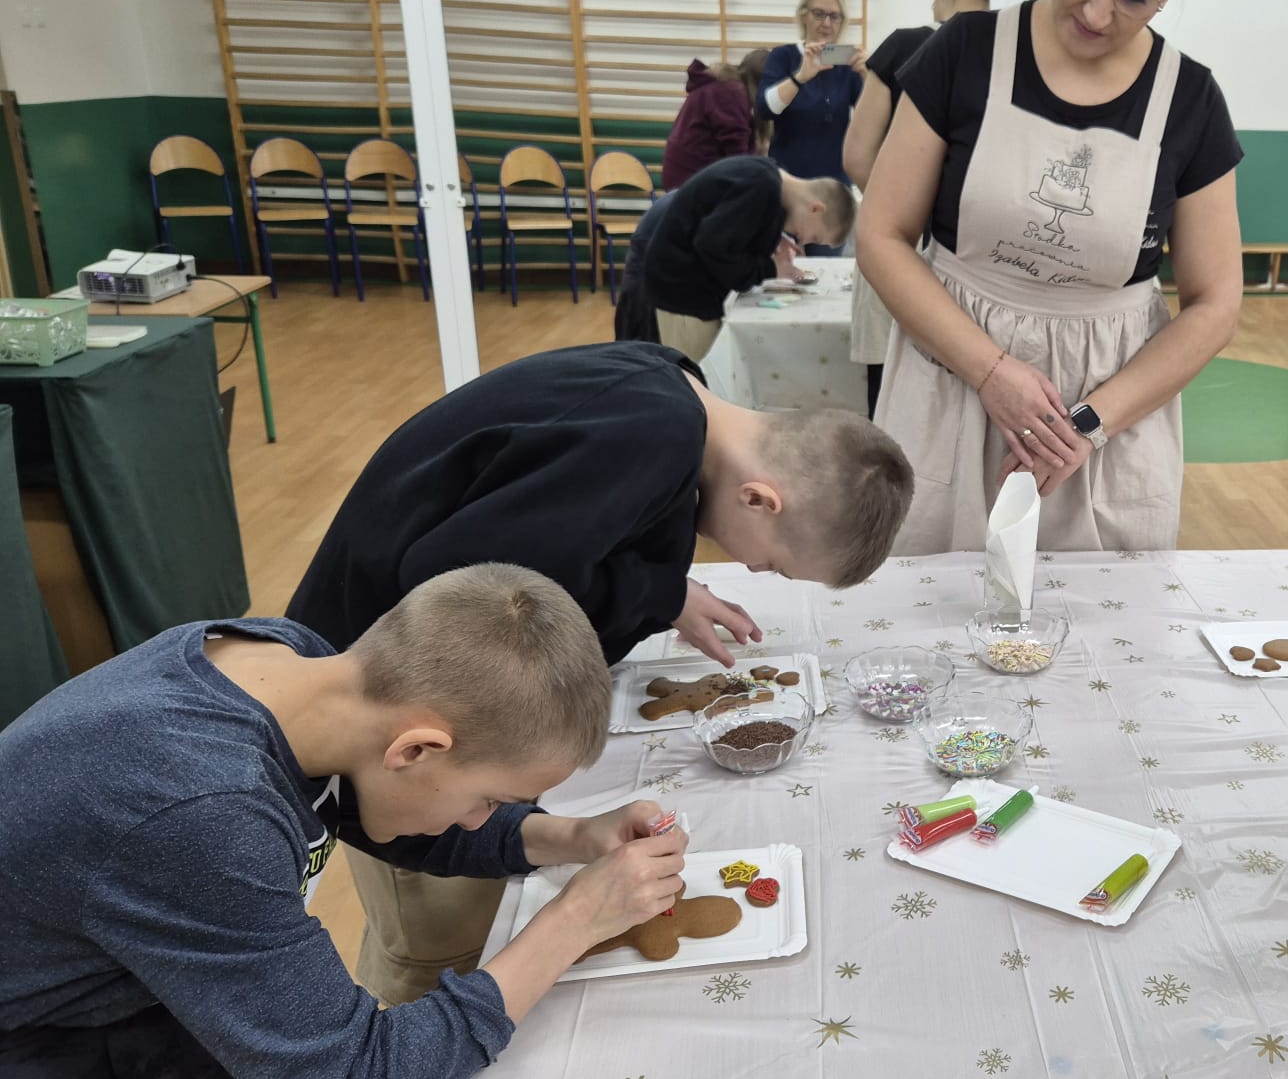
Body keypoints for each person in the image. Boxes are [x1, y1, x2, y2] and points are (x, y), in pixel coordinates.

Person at [0, 563, 695, 1079]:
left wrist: (570, 837)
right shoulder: (204, 813)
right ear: (415, 748)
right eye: (488, 798)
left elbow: (373, 806)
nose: (482, 817)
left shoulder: (296, 666)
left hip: (113, 981)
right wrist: (572, 922)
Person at [287, 342, 913, 1004]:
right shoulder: (652, 436)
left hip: (396, 708)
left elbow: (552, 535)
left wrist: (666, 593)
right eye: (774, 565)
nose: (755, 569)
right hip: (382, 724)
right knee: (435, 944)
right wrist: (652, 590)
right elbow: (468, 594)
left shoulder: (674, 393)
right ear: (760, 499)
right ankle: (410, 1024)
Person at [856, 0, 1243, 553]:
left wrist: (1087, 424)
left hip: (1103, 427)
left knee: (1098, 616)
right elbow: (881, 235)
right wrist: (990, 370)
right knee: (928, 600)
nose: (1097, 13)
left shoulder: (1189, 102)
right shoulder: (964, 53)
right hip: (949, 388)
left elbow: (1216, 303)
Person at [844, 0, 992, 415]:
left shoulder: (907, 45)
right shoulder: (1007, 57)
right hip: (975, 262)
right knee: (959, 404)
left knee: (890, 403)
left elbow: (858, 156)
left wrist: (900, 219)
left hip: (900, 248)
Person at [611, 154, 854, 359]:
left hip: (683, 288)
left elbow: (731, 225)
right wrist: (771, 269)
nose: (804, 241)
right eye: (815, 237)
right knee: (696, 378)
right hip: (682, 295)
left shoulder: (767, 177)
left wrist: (772, 235)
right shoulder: (761, 187)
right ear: (816, 208)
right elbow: (714, 248)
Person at [760, 0, 867, 237]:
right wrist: (800, 77)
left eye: (835, 16)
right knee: (781, 260)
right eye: (819, 14)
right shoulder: (784, 57)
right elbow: (765, 109)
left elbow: (872, 120)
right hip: (787, 189)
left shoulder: (847, 65)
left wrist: (868, 77)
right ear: (803, 15)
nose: (827, 23)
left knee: (826, 258)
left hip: (832, 192)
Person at [659, 48, 770, 192]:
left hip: (687, 171)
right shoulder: (732, 93)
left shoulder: (729, 88)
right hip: (689, 176)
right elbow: (737, 157)